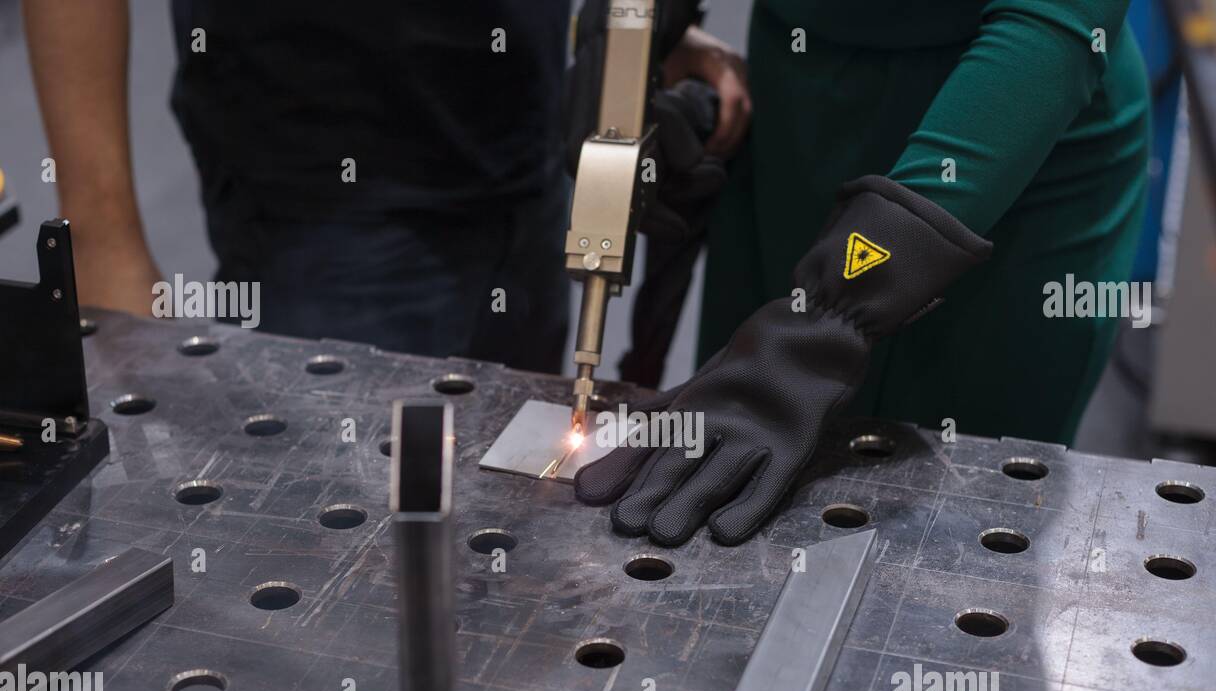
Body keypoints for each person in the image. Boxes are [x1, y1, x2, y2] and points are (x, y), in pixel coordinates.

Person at [576, 0, 1151, 547]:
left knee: (949, 537)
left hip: (1010, 137)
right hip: (800, 112)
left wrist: (826, 323)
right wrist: (636, 28)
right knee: (725, 479)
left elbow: (1057, 16)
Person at [22, 0, 748, 373]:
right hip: (321, 195)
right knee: (329, 549)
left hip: (520, 145)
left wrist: (635, 33)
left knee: (507, 505)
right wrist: (100, 232)